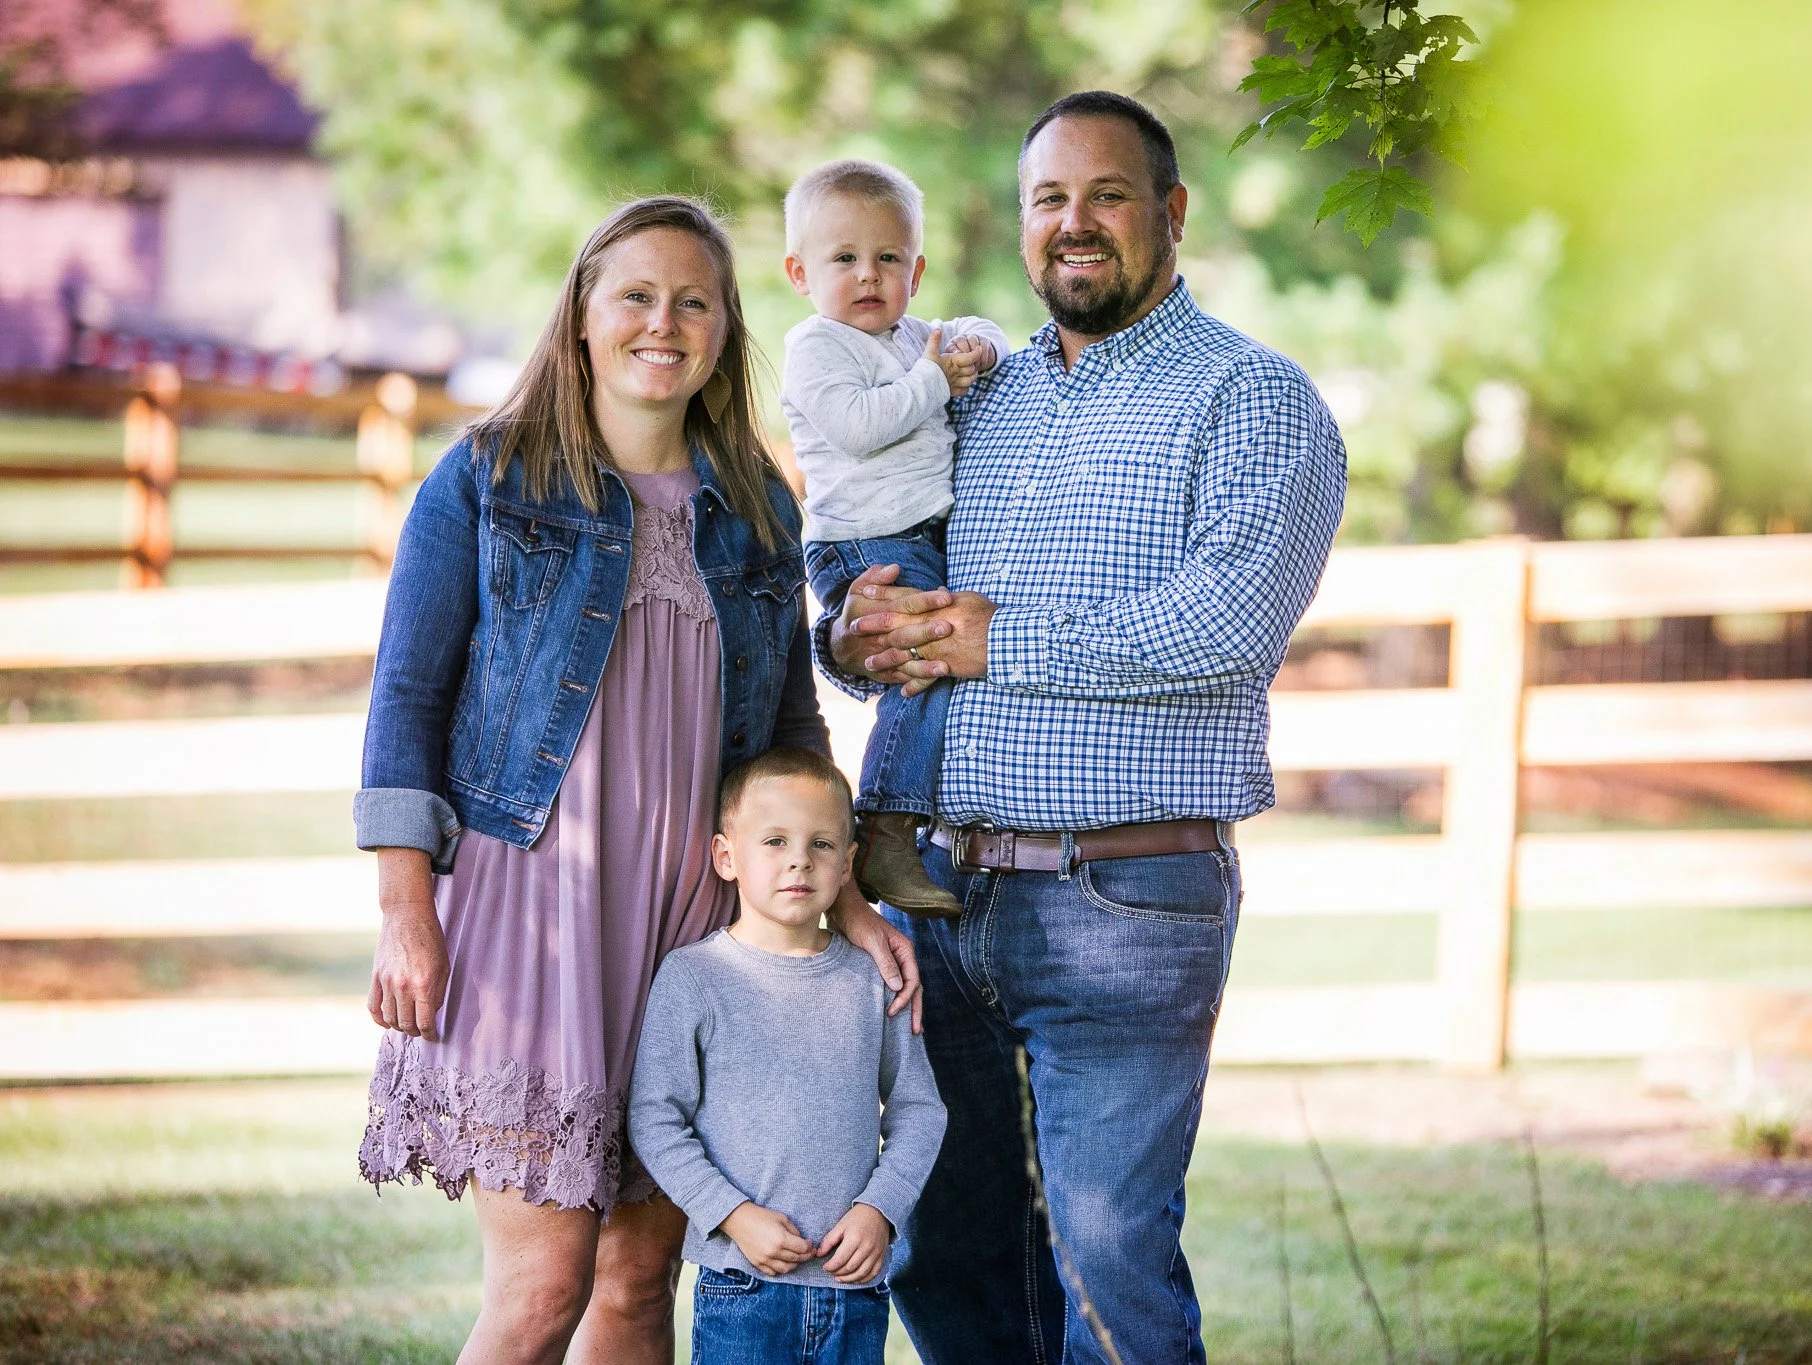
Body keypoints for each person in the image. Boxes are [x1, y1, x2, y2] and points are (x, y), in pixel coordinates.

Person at [820, 93, 1347, 1363]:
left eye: (1105, 195)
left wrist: (1004, 638)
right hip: (934, 896)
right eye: (1046, 200)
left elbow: (1226, 621)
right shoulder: (975, 399)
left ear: (1169, 214)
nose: (1073, 224)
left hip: (1123, 896)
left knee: (1105, 1254)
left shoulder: (1252, 400)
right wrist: (856, 636)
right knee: (945, 1251)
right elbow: (901, 603)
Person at [351, 194, 919, 1365]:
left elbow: (789, 729)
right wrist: (407, 914)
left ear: (724, 328)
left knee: (640, 1278)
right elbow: (405, 703)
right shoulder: (489, 481)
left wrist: (846, 895)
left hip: (697, 934)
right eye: (636, 296)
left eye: (693, 301)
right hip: (532, 927)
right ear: (581, 317)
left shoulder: (752, 508)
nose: (664, 323)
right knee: (544, 1287)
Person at [628, 747, 946, 1364]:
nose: (800, 858)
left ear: (848, 864)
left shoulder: (871, 978)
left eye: (822, 844)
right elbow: (655, 1118)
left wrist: (879, 1211)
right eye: (774, 840)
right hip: (743, 1282)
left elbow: (919, 1110)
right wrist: (733, 1215)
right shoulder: (695, 977)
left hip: (854, 1288)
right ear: (727, 857)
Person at [779, 157, 1009, 918]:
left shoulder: (918, 337)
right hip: (863, 541)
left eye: (889, 259)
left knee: (938, 659)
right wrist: (939, 378)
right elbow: (858, 424)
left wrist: (980, 342)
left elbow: (966, 333)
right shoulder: (817, 347)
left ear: (917, 268)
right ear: (799, 272)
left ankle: (907, 818)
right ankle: (884, 823)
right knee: (925, 664)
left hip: (920, 534)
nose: (867, 276)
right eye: (843, 259)